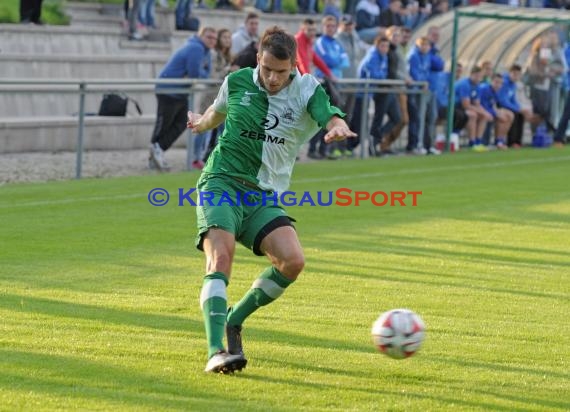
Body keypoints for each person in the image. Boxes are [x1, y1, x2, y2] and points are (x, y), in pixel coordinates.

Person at [186, 26, 357, 374]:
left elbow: (328, 113)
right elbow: (217, 112)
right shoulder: (237, 83)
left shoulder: (307, 88)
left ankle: (234, 319)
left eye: (281, 71)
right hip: (221, 182)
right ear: (258, 60)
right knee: (221, 257)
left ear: (294, 64)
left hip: (263, 196)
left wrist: (336, 126)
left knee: (292, 262)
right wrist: (201, 125)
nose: (273, 78)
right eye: (267, 69)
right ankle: (215, 350)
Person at [149, 27, 217, 170]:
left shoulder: (206, 52)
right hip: (169, 89)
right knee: (164, 124)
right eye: (209, 37)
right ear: (201, 36)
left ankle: (158, 149)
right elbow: (195, 73)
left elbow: (205, 72)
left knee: (182, 123)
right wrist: (202, 73)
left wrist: (202, 73)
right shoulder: (196, 48)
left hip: (181, 91)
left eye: (214, 38)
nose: (212, 41)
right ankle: (155, 153)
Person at [478, 73, 514, 149]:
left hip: (488, 110)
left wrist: (496, 112)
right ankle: (479, 142)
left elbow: (494, 105)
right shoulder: (484, 88)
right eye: (496, 82)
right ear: (491, 81)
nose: (498, 85)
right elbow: (478, 104)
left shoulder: (496, 91)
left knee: (509, 115)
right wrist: (494, 113)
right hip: (480, 110)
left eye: (500, 83)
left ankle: (500, 141)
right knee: (500, 117)